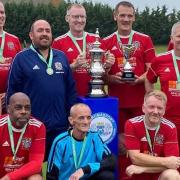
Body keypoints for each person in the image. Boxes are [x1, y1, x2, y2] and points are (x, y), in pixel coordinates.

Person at [6, 19, 77, 159]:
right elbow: (12, 92)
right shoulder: (21, 58)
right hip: (32, 127)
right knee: (33, 169)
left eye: (47, 31)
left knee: (59, 168)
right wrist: (15, 122)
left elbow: (71, 90)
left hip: (60, 127)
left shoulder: (61, 57)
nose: (44, 34)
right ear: (31, 35)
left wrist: (71, 118)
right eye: (40, 31)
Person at [102, 1, 156, 178]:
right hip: (117, 103)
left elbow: (152, 70)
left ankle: (142, 175)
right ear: (115, 16)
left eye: (129, 15)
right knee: (119, 144)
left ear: (134, 17)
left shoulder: (145, 39)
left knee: (141, 142)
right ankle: (122, 175)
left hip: (140, 102)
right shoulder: (106, 41)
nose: (126, 19)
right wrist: (111, 78)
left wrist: (138, 79)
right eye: (122, 15)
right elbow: (101, 75)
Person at [52, 3, 115, 96]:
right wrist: (74, 66)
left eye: (82, 17)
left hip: (95, 95)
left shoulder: (97, 40)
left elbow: (105, 74)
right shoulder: (58, 43)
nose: (80, 20)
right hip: (69, 97)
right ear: (67, 18)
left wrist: (108, 66)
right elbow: (54, 74)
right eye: (75, 17)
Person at [47, 103, 116, 180]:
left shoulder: (94, 137)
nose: (86, 122)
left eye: (88, 117)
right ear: (71, 120)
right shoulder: (60, 141)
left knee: (107, 176)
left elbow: (111, 161)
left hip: (87, 177)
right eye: (81, 118)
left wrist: (85, 169)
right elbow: (51, 174)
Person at [125, 90, 180, 180]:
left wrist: (143, 168)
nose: (155, 111)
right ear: (143, 108)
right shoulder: (132, 124)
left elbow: (174, 164)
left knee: (173, 175)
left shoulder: (170, 127)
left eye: (159, 108)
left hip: (156, 174)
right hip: (136, 175)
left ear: (164, 110)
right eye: (151, 107)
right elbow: (135, 158)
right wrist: (166, 161)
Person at [146, 21, 180, 144]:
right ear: (172, 38)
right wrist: (152, 100)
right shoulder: (160, 60)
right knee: (169, 157)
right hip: (167, 120)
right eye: (179, 36)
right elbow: (149, 80)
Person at [0, 92, 46, 180]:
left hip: (24, 175)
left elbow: (36, 163)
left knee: (35, 178)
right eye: (18, 107)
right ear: (9, 109)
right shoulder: (1, 126)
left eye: (27, 108)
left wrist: (10, 177)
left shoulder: (38, 127)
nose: (23, 111)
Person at [0, 1, 22, 114]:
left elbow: (21, 71)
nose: (1, 16)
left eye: (2, 12)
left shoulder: (14, 40)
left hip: (10, 99)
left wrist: (8, 94)